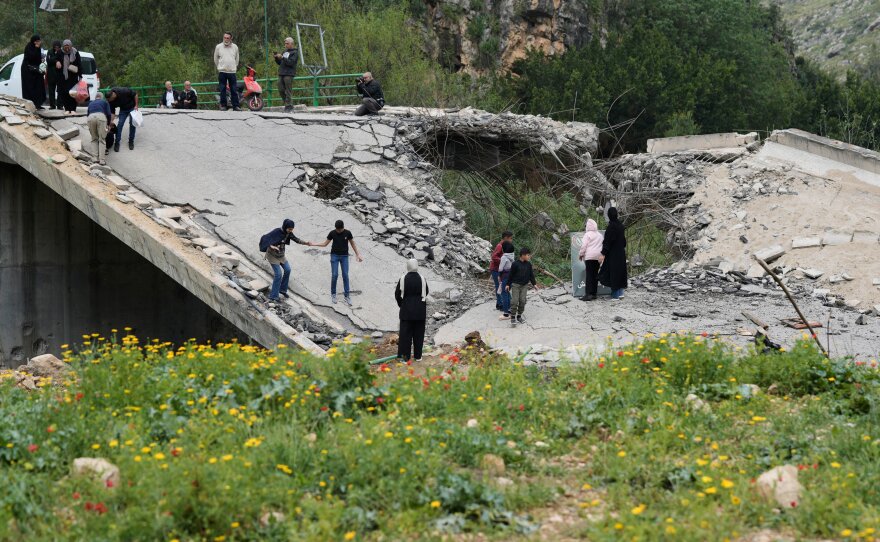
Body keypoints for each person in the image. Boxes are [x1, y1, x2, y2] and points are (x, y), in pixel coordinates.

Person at [311, 220, 363, 306]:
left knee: (345, 275)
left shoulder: (348, 233)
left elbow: (352, 244)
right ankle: (333, 294)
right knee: (335, 274)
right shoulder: (332, 233)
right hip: (334, 256)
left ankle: (347, 295)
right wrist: (313, 244)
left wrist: (358, 254)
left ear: (343, 227)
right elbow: (325, 244)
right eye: (337, 230)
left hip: (344, 256)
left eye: (340, 229)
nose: (338, 231)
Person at [259, 219, 313, 302]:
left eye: (292, 229)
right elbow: (265, 238)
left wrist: (306, 243)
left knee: (288, 270)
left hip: (281, 255)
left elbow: (297, 240)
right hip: (272, 256)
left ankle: (282, 290)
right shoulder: (276, 231)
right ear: (285, 227)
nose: (290, 231)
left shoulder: (289, 234)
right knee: (278, 274)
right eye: (289, 229)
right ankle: (273, 296)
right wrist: (271, 246)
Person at [395, 259, 429, 362]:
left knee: (405, 336)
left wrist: (402, 304)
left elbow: (397, 295)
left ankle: (405, 358)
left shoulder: (403, 279)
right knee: (419, 335)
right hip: (420, 311)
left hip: (406, 311)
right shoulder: (422, 278)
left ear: (408, 267)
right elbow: (426, 292)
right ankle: (418, 356)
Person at [598, 207, 628, 300]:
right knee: (620, 272)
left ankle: (615, 295)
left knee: (613, 273)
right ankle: (620, 293)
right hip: (621, 253)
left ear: (609, 215)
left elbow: (607, 242)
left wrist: (603, 254)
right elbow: (624, 242)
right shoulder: (621, 226)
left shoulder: (611, 227)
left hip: (613, 254)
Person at [506, 247, 538, 326]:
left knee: (523, 301)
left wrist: (534, 284)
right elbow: (510, 275)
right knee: (514, 301)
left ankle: (519, 316)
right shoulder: (515, 264)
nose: (529, 256)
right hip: (515, 285)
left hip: (524, 286)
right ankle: (513, 317)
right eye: (528, 255)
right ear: (522, 255)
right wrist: (508, 284)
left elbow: (531, 275)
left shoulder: (529, 264)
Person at [214, 32, 240, 111]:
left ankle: (236, 106)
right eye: (224, 37)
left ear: (231, 38)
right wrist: (219, 67)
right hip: (222, 71)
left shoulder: (235, 47)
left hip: (232, 72)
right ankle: (223, 105)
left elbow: (237, 58)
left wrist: (234, 66)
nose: (226, 39)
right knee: (222, 89)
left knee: (234, 90)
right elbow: (215, 58)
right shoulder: (218, 47)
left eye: (227, 38)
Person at [578, 218, 603, 301]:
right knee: (595, 275)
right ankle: (594, 294)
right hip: (598, 257)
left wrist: (581, 254)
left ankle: (588, 294)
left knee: (589, 275)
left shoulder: (587, 234)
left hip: (589, 257)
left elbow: (584, 246)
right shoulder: (600, 235)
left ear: (587, 226)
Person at [107, 87, 139, 151]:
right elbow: (113, 113)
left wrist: (136, 105)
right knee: (120, 124)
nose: (109, 101)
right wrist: (111, 122)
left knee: (132, 124)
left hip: (132, 107)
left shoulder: (123, 91)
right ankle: (117, 142)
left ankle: (131, 141)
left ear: (113, 96)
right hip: (123, 109)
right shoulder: (110, 101)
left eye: (110, 100)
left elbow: (135, 94)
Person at [489, 230, 513, 312]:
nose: (511, 240)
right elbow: (494, 257)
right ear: (506, 238)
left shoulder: (504, 245)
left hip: (499, 270)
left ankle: (499, 304)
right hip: (496, 269)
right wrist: (504, 261)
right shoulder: (500, 246)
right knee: (500, 286)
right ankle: (501, 304)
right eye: (510, 238)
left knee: (499, 286)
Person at [86, 92, 111, 166]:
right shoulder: (105, 102)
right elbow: (109, 114)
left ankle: (94, 159)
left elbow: (88, 114)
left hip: (90, 118)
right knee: (102, 139)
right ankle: (102, 160)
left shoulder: (90, 103)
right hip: (101, 117)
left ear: (96, 97)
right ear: (101, 97)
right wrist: (108, 124)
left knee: (94, 139)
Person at [21, 35, 46, 109]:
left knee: (39, 86)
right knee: (30, 88)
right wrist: (36, 48)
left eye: (39, 41)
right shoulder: (29, 47)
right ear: (33, 41)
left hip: (36, 71)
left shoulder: (39, 48)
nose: (38, 42)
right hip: (28, 71)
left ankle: (38, 104)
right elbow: (31, 57)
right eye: (36, 41)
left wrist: (42, 60)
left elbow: (38, 58)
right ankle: (30, 105)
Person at [274, 37, 299, 112]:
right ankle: (288, 104)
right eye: (285, 43)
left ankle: (288, 106)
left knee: (288, 90)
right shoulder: (284, 52)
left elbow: (291, 63)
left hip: (289, 74)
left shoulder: (295, 53)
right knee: (280, 89)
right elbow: (280, 63)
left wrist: (282, 58)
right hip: (281, 73)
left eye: (287, 43)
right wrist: (276, 58)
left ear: (292, 44)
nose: (285, 45)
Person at [59, 39, 81, 114]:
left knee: (73, 93)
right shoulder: (60, 52)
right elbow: (55, 60)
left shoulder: (75, 52)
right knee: (65, 93)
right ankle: (67, 109)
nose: (67, 47)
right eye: (65, 46)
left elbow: (79, 64)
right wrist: (57, 62)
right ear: (63, 46)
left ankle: (73, 109)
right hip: (64, 77)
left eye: (68, 46)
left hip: (73, 77)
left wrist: (80, 75)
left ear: (71, 46)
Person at [497, 241, 515, 320]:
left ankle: (506, 314)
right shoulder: (512, 256)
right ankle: (510, 309)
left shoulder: (504, 257)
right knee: (508, 292)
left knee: (504, 294)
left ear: (503, 249)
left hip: (505, 276)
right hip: (511, 276)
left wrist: (499, 275)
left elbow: (500, 268)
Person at [46, 40, 63, 109]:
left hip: (59, 75)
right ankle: (52, 105)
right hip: (51, 74)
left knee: (60, 91)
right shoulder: (49, 52)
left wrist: (56, 59)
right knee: (51, 90)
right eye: (55, 47)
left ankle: (60, 105)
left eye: (58, 47)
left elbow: (62, 60)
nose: (56, 48)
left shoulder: (62, 52)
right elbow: (48, 61)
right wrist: (56, 60)